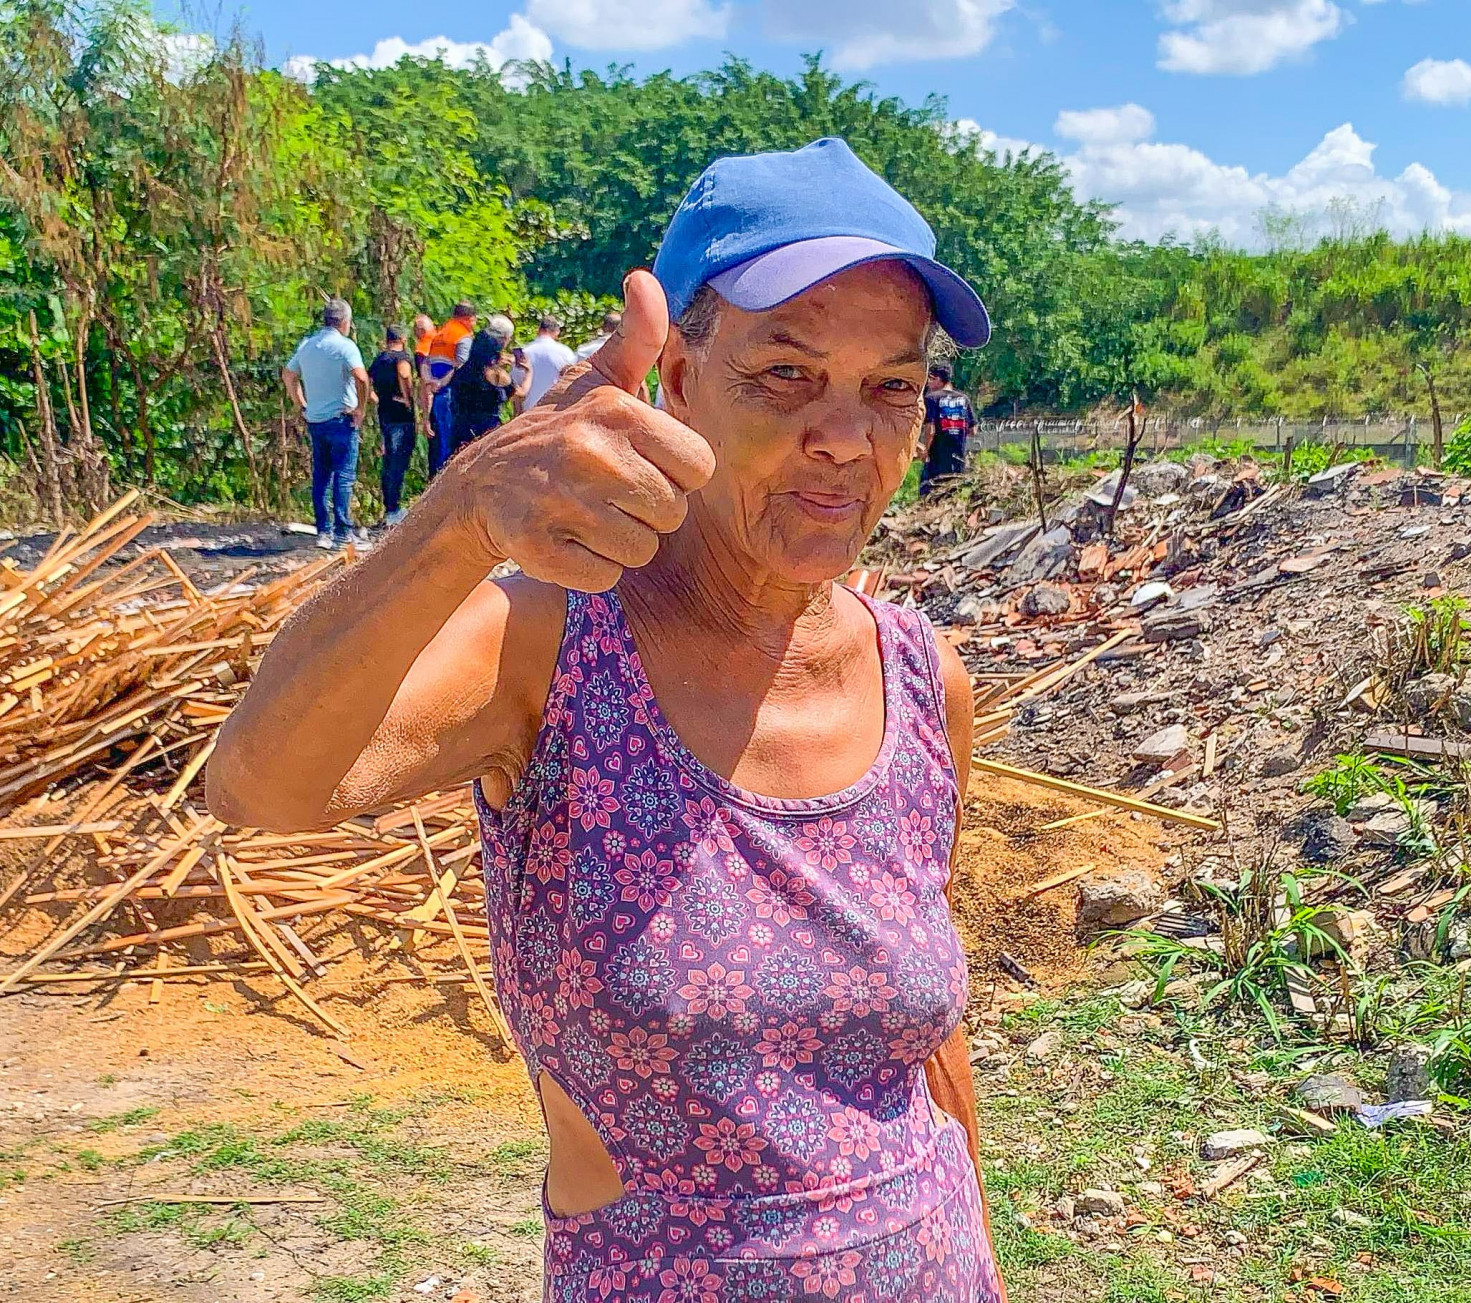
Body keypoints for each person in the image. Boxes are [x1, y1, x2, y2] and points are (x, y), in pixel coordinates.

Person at [209, 136, 1002, 1303]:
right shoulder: (552, 647)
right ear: (674, 378)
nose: (847, 436)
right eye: (785, 371)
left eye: (892, 383)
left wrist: (983, 1245)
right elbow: (260, 789)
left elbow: (926, 1031)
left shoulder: (924, 678)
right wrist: (466, 508)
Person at [281, 298, 370, 549]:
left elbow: (288, 375)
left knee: (321, 475)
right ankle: (343, 534)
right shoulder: (345, 347)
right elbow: (362, 378)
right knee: (343, 475)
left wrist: (301, 404)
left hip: (316, 419)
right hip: (341, 418)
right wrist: (361, 408)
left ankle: (324, 531)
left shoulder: (308, 345)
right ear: (344, 322)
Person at [446, 314, 521, 459]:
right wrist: (528, 371)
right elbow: (519, 393)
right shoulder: (495, 374)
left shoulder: (462, 371)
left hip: (461, 431)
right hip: (487, 432)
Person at [368, 324, 417, 526]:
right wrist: (408, 398)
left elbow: (367, 381)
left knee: (389, 462)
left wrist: (375, 398)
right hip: (401, 416)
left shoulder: (379, 359)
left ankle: (390, 506)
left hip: (385, 414)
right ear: (403, 339)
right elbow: (404, 375)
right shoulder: (402, 358)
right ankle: (394, 509)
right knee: (398, 461)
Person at [423, 301, 477, 478]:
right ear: (469, 319)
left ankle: (436, 477)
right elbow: (462, 366)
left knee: (440, 441)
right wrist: (443, 382)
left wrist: (430, 381)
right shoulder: (463, 336)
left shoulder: (439, 335)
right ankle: (446, 480)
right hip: (450, 393)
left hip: (437, 393)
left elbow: (426, 362)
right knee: (449, 441)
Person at [920, 361, 975, 492]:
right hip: (958, 458)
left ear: (939, 379)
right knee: (953, 495)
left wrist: (925, 450)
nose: (928, 383)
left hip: (937, 459)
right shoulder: (964, 399)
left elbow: (931, 429)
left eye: (931, 379)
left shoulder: (931, 398)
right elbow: (973, 430)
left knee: (929, 494)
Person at [516, 315, 577, 411]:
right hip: (554, 412)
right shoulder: (566, 353)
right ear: (557, 332)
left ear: (539, 330)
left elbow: (516, 389)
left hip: (528, 414)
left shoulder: (524, 352)